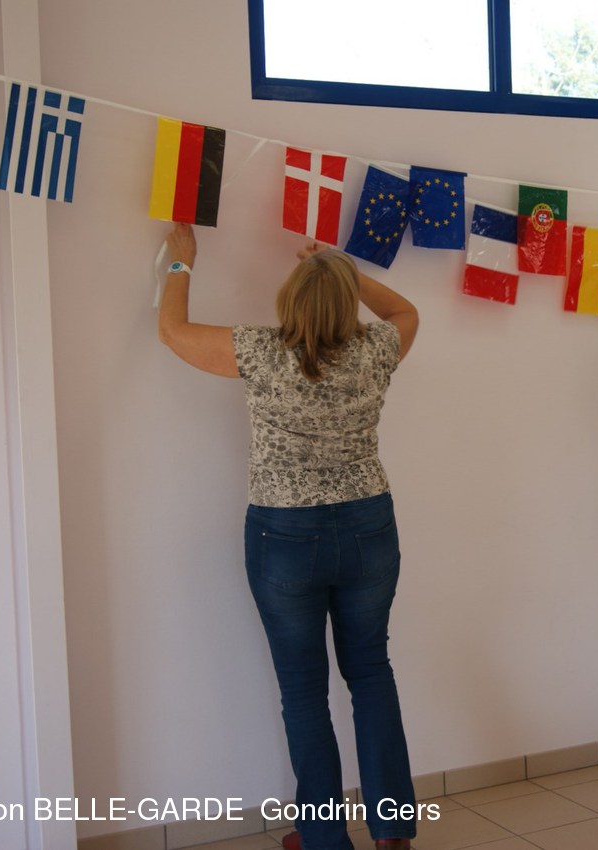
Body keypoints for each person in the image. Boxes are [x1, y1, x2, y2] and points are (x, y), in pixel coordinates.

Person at [158, 222, 420, 850]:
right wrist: (344, 272)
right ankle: (392, 834)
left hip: (286, 535)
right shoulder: (377, 349)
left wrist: (181, 262)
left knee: (304, 692)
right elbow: (405, 311)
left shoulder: (262, 351)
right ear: (346, 302)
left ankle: (324, 840)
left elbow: (172, 330)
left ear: (290, 301)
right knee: (370, 672)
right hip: (368, 527)